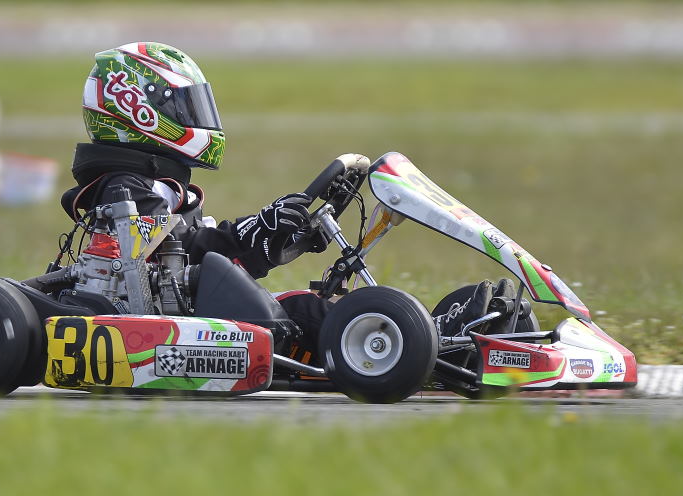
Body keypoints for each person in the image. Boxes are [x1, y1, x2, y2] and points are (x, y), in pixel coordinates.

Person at [61, 41, 496, 364]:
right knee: (300, 311)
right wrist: (255, 232)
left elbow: (188, 248)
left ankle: (432, 338)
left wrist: (276, 236)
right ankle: (427, 340)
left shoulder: (160, 184)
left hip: (191, 309)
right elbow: (160, 256)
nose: (196, 116)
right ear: (136, 110)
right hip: (164, 323)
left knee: (303, 306)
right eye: (182, 106)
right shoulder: (123, 188)